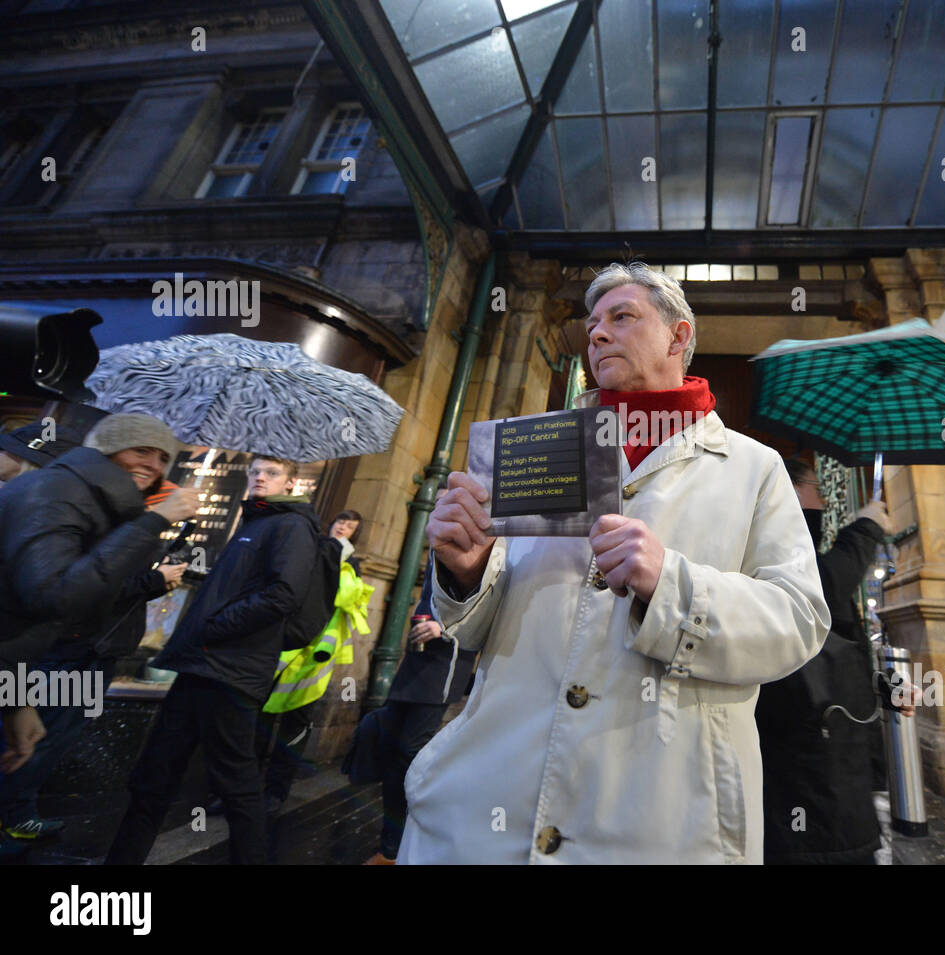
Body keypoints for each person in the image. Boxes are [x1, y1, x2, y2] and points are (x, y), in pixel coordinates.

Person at [403, 262, 830, 864]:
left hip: (662, 817)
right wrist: (467, 571)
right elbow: (480, 629)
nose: (597, 332)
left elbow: (799, 620)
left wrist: (671, 583)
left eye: (622, 317)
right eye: (592, 324)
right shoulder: (542, 450)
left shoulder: (753, 467)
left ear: (679, 336)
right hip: (489, 803)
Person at [107, 455, 320, 865]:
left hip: (231, 672)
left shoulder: (291, 525)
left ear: (291, 483)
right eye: (255, 471)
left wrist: (216, 625)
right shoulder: (255, 522)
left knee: (237, 785)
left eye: (272, 473)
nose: (260, 478)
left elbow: (284, 594)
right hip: (200, 665)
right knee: (154, 777)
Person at [0, 414, 197, 774]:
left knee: (46, 750)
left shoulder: (105, 506)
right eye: (141, 450)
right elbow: (55, 596)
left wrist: (16, 702)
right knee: (37, 757)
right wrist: (153, 526)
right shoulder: (60, 492)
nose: (153, 465)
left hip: (88, 651)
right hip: (77, 652)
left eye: (163, 457)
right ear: (108, 448)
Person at [0, 475, 187, 850]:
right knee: (44, 734)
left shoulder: (124, 531)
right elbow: (93, 589)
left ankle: (18, 810)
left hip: (99, 651)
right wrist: (153, 580)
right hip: (81, 650)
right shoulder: (107, 530)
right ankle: (14, 815)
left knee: (54, 733)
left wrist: (156, 580)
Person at [756, 458, 904, 864]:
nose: (822, 501)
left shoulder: (804, 555)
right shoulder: (779, 558)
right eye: (817, 490)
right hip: (809, 774)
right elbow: (821, 587)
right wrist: (865, 526)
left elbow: (837, 651)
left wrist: (882, 689)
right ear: (791, 491)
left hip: (835, 766)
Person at [360, 499, 478, 865]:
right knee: (388, 742)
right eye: (441, 499)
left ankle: (407, 845)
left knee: (411, 753)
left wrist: (444, 628)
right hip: (418, 658)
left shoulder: (482, 544)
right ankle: (393, 845)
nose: (445, 505)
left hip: (446, 661)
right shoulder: (439, 544)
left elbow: (490, 600)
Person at [256, 510, 373, 812]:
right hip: (280, 646)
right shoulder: (309, 549)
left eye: (350, 526)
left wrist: (338, 559)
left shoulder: (350, 564)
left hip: (313, 656)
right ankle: (241, 789)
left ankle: (275, 791)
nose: (343, 527)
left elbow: (345, 598)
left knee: (294, 726)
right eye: (340, 522)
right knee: (258, 722)